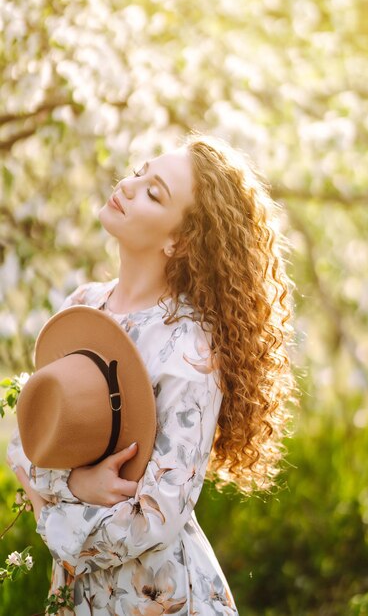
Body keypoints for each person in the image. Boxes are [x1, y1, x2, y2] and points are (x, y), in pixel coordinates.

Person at [8, 133, 297, 615]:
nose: (129, 185)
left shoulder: (190, 349)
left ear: (178, 241)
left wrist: (52, 518)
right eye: (140, 172)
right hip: (76, 598)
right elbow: (26, 440)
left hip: (158, 600)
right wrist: (79, 485)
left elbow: (156, 517)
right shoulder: (81, 306)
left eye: (153, 192)